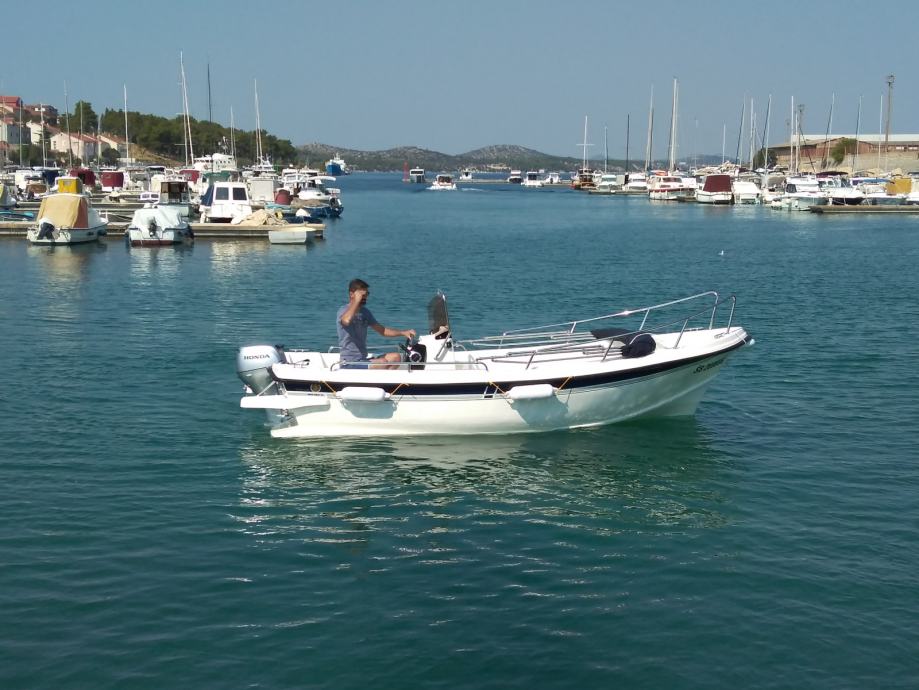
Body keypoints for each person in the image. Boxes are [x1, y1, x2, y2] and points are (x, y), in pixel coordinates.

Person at [337, 278, 416, 369]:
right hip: (349, 362)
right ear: (351, 294)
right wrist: (356, 301)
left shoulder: (365, 312)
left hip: (363, 360)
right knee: (383, 362)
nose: (365, 297)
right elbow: (346, 321)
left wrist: (403, 333)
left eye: (367, 294)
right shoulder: (343, 311)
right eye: (362, 295)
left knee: (396, 357)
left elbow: (383, 331)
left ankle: (386, 379)